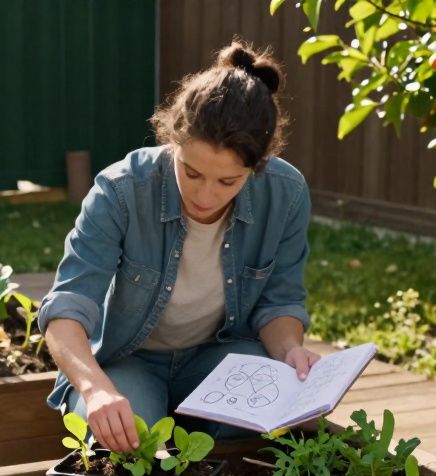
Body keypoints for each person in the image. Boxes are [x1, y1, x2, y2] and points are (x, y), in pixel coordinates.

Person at [37, 40, 318, 454]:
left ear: (256, 168)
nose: (205, 195)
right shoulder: (120, 191)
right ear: (172, 139)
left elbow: (279, 305)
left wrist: (291, 351)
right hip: (128, 360)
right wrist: (96, 390)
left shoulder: (286, 193)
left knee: (282, 424)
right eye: (192, 172)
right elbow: (66, 308)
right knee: (124, 443)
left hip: (221, 357)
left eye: (228, 182)